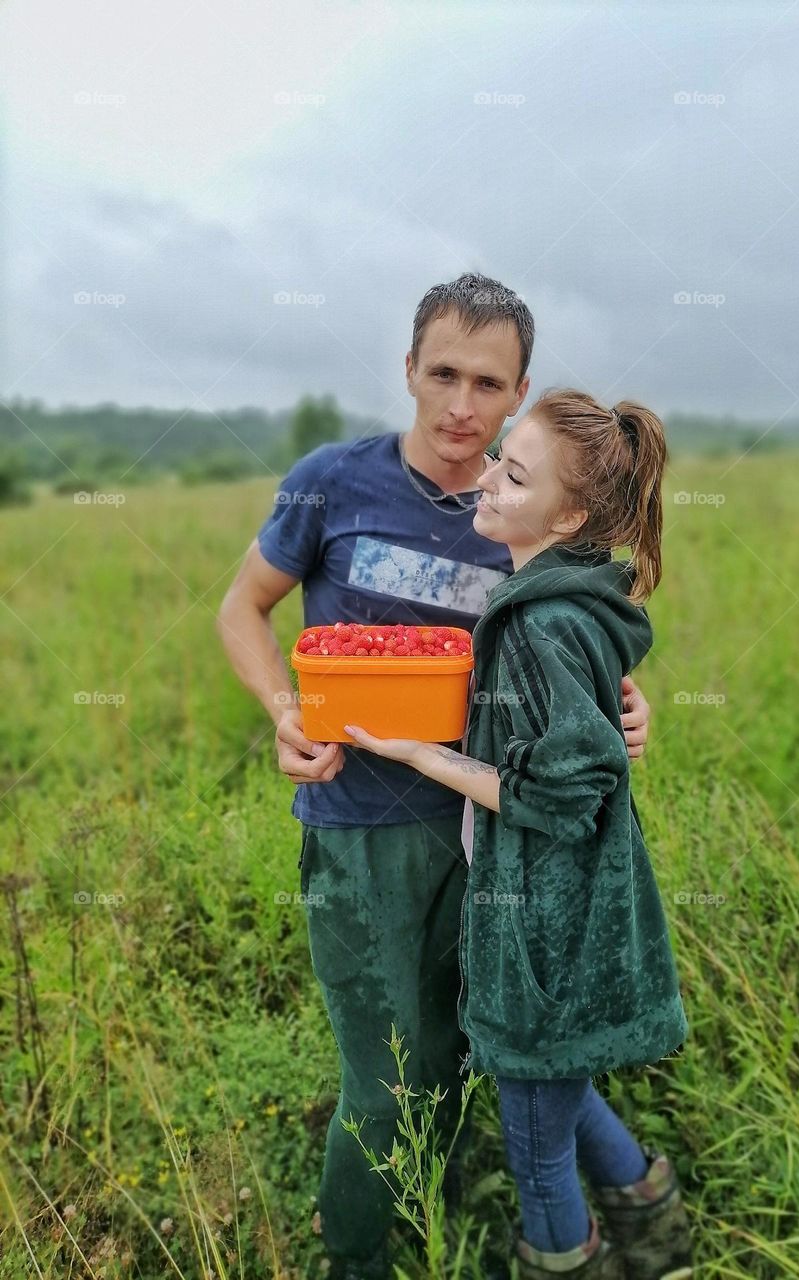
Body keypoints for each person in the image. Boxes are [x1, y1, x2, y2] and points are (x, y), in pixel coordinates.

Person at [216, 274, 653, 1280]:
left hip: (496, 835)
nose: (462, 407)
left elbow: (584, 649)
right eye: (443, 373)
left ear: (520, 392)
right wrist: (286, 712)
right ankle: (357, 1254)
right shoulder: (330, 482)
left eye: (488, 383)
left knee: (474, 1047)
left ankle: (455, 1205)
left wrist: (632, 705)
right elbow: (242, 609)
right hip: (362, 827)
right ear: (408, 369)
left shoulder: (533, 511)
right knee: (384, 1079)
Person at [346, 389, 693, 1280]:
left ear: (569, 515)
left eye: (515, 473)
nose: (488, 477)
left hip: (547, 928)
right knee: (560, 1093)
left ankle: (566, 1260)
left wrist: (425, 757)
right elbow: (574, 737)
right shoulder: (561, 599)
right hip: (562, 917)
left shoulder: (541, 622)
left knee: (538, 1151)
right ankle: (659, 1244)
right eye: (499, 456)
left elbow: (565, 793)